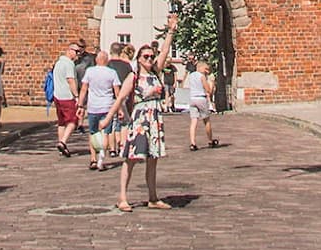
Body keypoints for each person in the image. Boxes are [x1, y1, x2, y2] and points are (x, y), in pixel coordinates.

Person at [101, 14, 178, 211]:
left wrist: (171, 30)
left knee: (153, 160)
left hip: (155, 119)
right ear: (138, 59)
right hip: (140, 120)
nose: (150, 59)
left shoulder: (155, 73)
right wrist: (107, 120)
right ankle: (123, 198)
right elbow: (119, 100)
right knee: (131, 159)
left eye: (151, 56)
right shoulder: (133, 77)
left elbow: (165, 51)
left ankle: (153, 198)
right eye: (146, 57)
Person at [77, 50, 121, 171]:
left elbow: (84, 89)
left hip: (93, 107)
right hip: (107, 106)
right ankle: (101, 158)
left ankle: (93, 159)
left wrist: (80, 105)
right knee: (105, 133)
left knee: (93, 132)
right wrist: (120, 108)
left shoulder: (90, 71)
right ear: (107, 60)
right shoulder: (112, 72)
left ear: (96, 60)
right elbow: (117, 92)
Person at [52, 38, 81, 157]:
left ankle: (61, 145)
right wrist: (77, 96)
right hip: (67, 96)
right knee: (73, 121)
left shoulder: (58, 63)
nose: (78, 54)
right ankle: (63, 142)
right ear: (69, 50)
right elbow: (70, 80)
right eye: (76, 51)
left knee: (61, 122)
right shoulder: (69, 64)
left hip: (57, 95)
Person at [186, 61, 219, 151]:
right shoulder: (202, 76)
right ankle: (210, 140)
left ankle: (193, 143)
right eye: (206, 69)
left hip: (192, 98)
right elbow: (208, 90)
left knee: (194, 121)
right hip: (201, 98)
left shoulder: (191, 75)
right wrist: (211, 84)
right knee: (206, 120)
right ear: (200, 68)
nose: (207, 71)